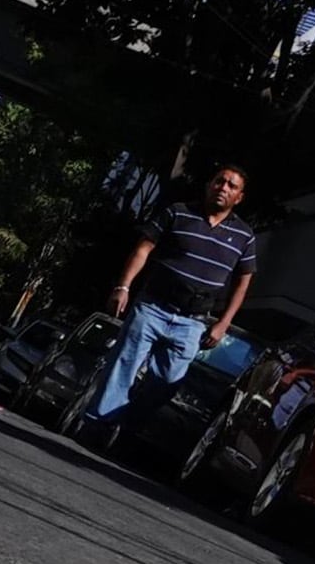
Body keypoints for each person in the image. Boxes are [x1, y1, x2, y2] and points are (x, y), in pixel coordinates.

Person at [82, 164, 257, 437]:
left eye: (231, 186)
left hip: (194, 322)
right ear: (209, 184)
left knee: (166, 381)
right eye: (219, 181)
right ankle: (97, 426)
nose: (223, 188)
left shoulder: (245, 236)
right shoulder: (178, 212)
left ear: (239, 197)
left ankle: (129, 425)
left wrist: (224, 323)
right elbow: (143, 248)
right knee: (123, 366)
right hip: (152, 306)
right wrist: (123, 287)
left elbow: (243, 282)